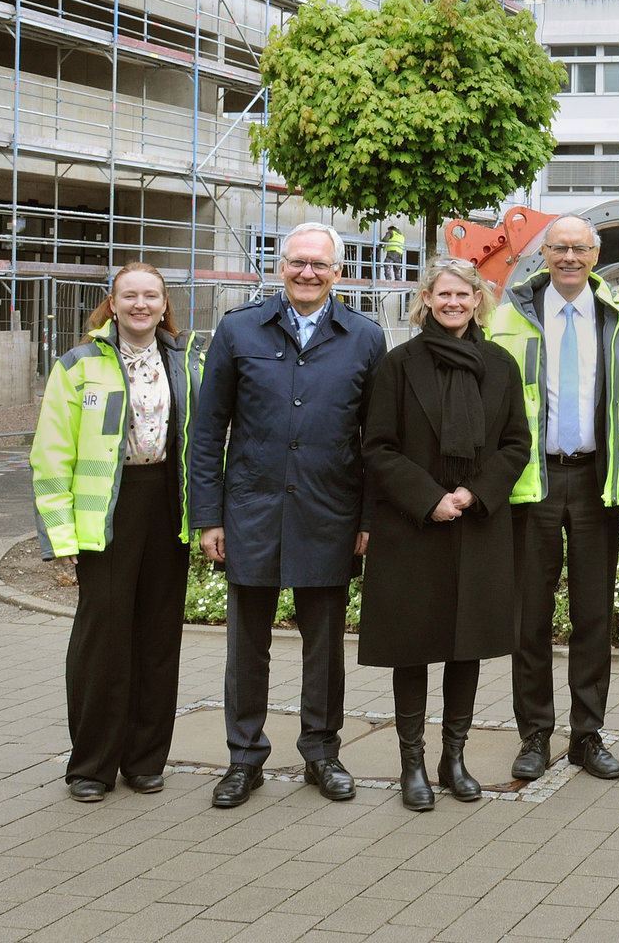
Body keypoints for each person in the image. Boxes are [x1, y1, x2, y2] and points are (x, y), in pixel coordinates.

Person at [190, 222, 386, 808]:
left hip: (329, 512)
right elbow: (208, 431)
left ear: (338, 272)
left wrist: (368, 519)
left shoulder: (365, 338)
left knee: (324, 647)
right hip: (251, 510)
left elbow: (378, 439)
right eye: (298, 262)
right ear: (280, 266)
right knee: (246, 646)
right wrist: (208, 516)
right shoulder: (238, 329)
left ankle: (322, 752)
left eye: (320, 264)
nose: (308, 272)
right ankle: (244, 757)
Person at [488, 214, 619, 783]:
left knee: (592, 616)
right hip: (529, 485)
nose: (569, 258)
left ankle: (587, 735)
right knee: (528, 618)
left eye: (580, 249)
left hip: (595, 483)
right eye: (559, 247)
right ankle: (535, 734)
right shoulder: (508, 316)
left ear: (596, 254)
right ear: (545, 253)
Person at [360, 259, 530, 810]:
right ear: (427, 299)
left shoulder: (500, 365)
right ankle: (411, 763)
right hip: (413, 526)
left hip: (476, 524)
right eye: (443, 294)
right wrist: (429, 498)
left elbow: (516, 443)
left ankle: (453, 758)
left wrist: (473, 494)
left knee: (466, 648)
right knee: (412, 649)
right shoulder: (398, 364)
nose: (453, 302)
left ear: (478, 299)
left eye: (463, 294)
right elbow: (378, 446)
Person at [31, 263, 203, 802]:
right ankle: (91, 766)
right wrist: (60, 535)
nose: (140, 305)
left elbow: (206, 440)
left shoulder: (186, 361)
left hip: (166, 509)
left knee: (158, 640)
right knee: (102, 643)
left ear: (164, 304)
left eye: (151, 295)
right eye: (129, 295)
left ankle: (146, 759)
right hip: (106, 517)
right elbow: (51, 454)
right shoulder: (79, 364)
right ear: (113, 302)